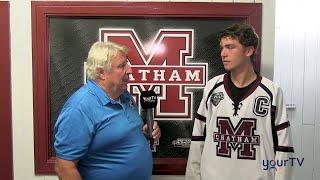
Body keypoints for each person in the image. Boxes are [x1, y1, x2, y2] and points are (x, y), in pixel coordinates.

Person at [185, 23, 294, 180]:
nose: (223, 53)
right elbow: (198, 139)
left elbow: (284, 148)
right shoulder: (212, 87)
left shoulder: (272, 92)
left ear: (249, 50)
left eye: (230, 47)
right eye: (222, 48)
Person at [54, 41, 161, 180]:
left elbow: (118, 134)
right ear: (101, 72)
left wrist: (144, 132)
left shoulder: (124, 96)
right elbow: (64, 167)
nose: (130, 70)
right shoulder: (79, 108)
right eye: (122, 66)